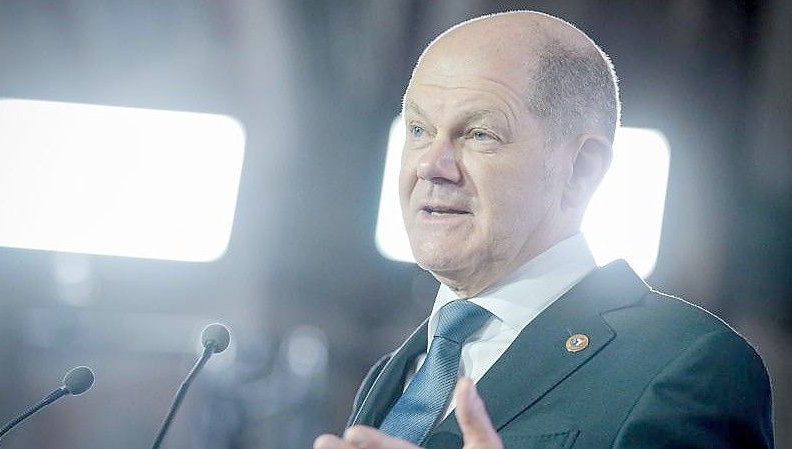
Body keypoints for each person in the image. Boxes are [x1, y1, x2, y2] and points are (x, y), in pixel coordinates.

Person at [314, 10, 774, 449]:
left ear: (580, 168)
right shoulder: (397, 370)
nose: (432, 165)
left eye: (479, 134)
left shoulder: (687, 364)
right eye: (418, 130)